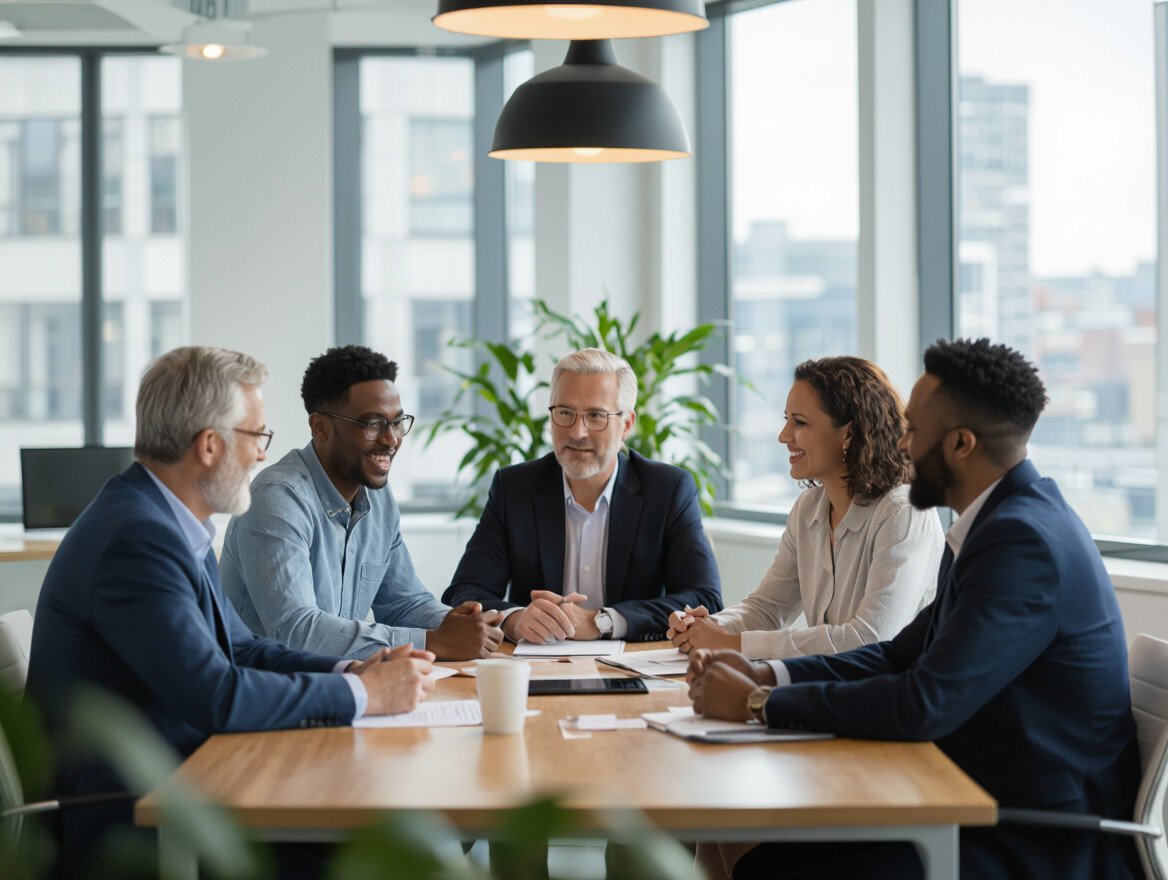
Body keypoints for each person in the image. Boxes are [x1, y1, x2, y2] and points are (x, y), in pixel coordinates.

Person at [687, 338, 1141, 880]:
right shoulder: (996, 523)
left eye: (913, 432)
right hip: (973, 797)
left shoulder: (1023, 542)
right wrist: (766, 671)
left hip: (1035, 835)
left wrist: (761, 701)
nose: (898, 444)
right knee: (751, 853)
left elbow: (924, 702)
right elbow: (901, 653)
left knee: (767, 867)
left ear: (961, 444)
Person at [26, 346, 435, 870]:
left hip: (188, 776)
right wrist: (362, 694)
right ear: (211, 446)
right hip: (131, 815)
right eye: (257, 435)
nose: (264, 454)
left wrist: (351, 668)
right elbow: (215, 695)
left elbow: (239, 646)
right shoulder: (137, 538)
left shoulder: (163, 521)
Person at [221, 345, 502, 661]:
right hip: (267, 695)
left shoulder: (378, 498)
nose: (391, 439)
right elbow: (295, 631)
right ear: (320, 427)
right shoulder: (276, 498)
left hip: (338, 685)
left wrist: (462, 623)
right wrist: (433, 641)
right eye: (373, 423)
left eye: (397, 422)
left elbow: (403, 602)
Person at [667, 356, 942, 659]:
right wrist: (705, 627)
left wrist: (731, 643)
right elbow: (768, 608)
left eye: (799, 422)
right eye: (787, 420)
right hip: (830, 689)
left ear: (848, 433)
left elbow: (871, 639)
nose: (783, 436)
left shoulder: (904, 511)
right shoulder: (809, 508)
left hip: (891, 699)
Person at [443, 347, 722, 643]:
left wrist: (602, 621)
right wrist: (515, 618)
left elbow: (704, 600)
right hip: (535, 667)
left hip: (635, 665)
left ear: (626, 424)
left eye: (596, 416)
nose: (577, 432)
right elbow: (464, 595)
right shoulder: (514, 488)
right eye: (565, 413)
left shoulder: (667, 489)